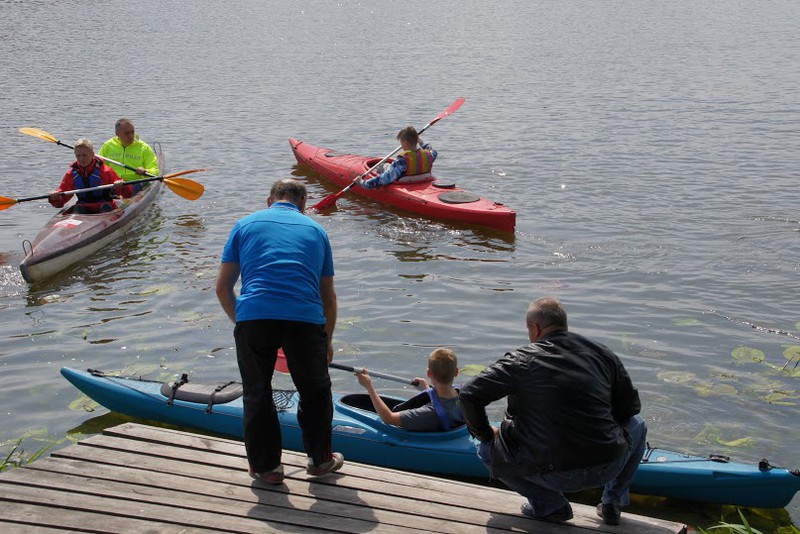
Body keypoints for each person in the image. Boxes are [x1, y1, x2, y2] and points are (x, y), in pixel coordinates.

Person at [459, 297, 647, 526]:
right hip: (607, 466)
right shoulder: (602, 353)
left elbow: (468, 394)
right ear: (564, 324)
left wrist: (486, 434)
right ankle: (612, 502)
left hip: (554, 474)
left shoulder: (521, 360)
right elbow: (630, 408)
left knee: (485, 448)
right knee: (638, 424)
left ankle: (550, 506)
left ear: (535, 329)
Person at [216, 178, 342, 485]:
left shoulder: (244, 225)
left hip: (254, 317)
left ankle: (267, 468)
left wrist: (242, 322)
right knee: (315, 392)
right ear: (303, 203)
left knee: (257, 392)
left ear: (269, 200)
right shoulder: (317, 231)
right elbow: (328, 298)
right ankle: (320, 460)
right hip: (304, 320)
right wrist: (326, 340)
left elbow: (222, 288)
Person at [355, 348, 464, 432]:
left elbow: (388, 418)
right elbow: (444, 400)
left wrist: (368, 386)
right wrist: (427, 389)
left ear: (428, 373)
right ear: (456, 372)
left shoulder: (429, 413)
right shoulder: (465, 397)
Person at [48, 138, 133, 214]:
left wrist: (121, 185)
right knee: (78, 208)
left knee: (105, 207)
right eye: (78, 156)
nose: (81, 159)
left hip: (105, 206)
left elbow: (128, 194)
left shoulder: (106, 171)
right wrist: (54, 197)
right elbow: (59, 203)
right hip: (83, 207)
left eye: (84, 155)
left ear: (92, 154)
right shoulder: (71, 175)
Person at [356, 126, 437, 189]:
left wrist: (363, 183)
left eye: (401, 142)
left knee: (382, 165)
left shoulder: (402, 160)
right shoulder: (428, 155)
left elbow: (385, 178)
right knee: (389, 165)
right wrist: (421, 141)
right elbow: (432, 150)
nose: (401, 145)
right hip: (423, 179)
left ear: (405, 142)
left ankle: (373, 177)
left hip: (404, 182)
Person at [98, 118, 159, 193]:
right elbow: (99, 167)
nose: (131, 136)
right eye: (126, 133)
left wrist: (146, 171)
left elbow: (155, 170)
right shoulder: (108, 146)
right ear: (117, 133)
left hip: (135, 182)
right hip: (114, 182)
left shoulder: (144, 148)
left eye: (132, 132)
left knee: (127, 191)